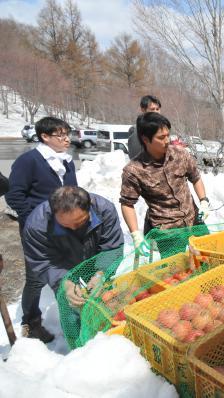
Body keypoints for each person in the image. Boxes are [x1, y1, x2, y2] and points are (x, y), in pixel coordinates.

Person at [5, 116, 77, 343]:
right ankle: (31, 321)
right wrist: (34, 220)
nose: (67, 139)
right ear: (45, 137)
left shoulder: (66, 161)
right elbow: (14, 194)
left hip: (66, 228)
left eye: (68, 133)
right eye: (61, 135)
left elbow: (74, 192)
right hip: (37, 231)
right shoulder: (29, 161)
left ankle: (72, 317)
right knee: (36, 278)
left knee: (69, 270)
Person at [21, 186, 123, 339]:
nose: (75, 229)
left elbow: (112, 247)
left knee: (98, 292)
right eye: (66, 226)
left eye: (80, 222)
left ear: (89, 208)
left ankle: (99, 331)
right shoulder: (36, 226)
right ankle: (31, 322)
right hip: (55, 261)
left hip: (91, 255)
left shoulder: (104, 210)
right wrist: (65, 282)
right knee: (41, 286)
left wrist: (101, 273)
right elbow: (43, 262)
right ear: (54, 213)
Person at [120, 112, 209, 254]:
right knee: (176, 272)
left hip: (194, 221)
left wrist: (204, 201)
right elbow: (127, 203)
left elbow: (196, 178)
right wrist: (136, 235)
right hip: (167, 232)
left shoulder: (180, 155)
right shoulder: (134, 170)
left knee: (208, 257)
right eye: (161, 137)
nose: (167, 140)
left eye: (168, 135)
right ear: (145, 139)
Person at [127, 95, 161, 160]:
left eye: (157, 109)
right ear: (143, 110)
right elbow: (134, 156)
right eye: (152, 109)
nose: (156, 112)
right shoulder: (135, 130)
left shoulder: (163, 128)